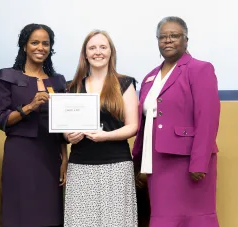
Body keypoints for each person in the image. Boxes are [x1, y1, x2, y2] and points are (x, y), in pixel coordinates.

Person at [132, 16, 220, 227]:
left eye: (174, 36)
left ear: (186, 39)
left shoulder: (200, 69)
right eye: (163, 37)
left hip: (189, 162)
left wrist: (199, 162)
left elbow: (207, 118)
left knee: (195, 219)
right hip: (157, 161)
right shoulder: (149, 77)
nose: (168, 40)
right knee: (163, 219)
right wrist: (136, 160)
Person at [0, 23, 67, 227]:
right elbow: (1, 119)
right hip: (21, 154)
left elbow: (62, 124)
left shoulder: (59, 82)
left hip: (51, 154)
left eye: (45, 43)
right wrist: (30, 107)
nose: (40, 47)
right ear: (24, 46)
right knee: (20, 214)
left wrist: (64, 158)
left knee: (50, 213)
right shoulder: (7, 76)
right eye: (34, 42)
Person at [64, 30, 139, 227]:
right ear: (85, 54)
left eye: (103, 47)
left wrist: (105, 136)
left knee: (116, 222)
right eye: (92, 48)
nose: (98, 52)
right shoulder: (72, 87)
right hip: (80, 166)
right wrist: (69, 135)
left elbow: (133, 126)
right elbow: (64, 127)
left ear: (111, 52)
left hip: (116, 165)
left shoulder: (124, 83)